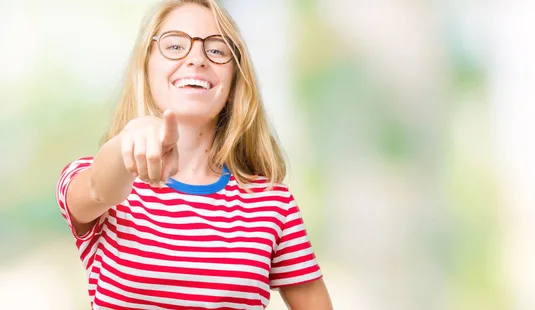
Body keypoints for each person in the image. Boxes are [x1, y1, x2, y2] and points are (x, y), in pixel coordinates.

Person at [55, 0, 333, 309]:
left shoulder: (273, 204)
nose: (197, 59)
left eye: (216, 50)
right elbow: (95, 189)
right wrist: (129, 141)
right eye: (174, 46)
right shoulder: (91, 177)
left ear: (235, 76)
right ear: (146, 66)